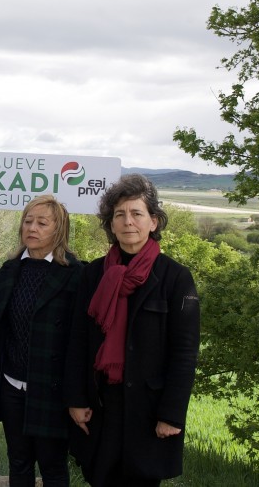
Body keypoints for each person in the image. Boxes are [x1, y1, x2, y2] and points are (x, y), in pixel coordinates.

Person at [64, 174, 200, 486]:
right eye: (119, 215)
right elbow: (78, 340)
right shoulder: (93, 274)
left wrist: (172, 414)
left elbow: (185, 352)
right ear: (110, 224)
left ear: (153, 222)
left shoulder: (175, 278)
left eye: (137, 214)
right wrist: (76, 398)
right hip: (101, 406)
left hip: (149, 411)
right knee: (98, 477)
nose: (128, 222)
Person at [0, 195, 82, 487]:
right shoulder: (11, 270)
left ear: (59, 229)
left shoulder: (76, 274)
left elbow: (80, 341)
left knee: (53, 466)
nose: (32, 228)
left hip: (51, 389)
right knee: (18, 461)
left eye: (42, 222)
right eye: (28, 221)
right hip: (12, 386)